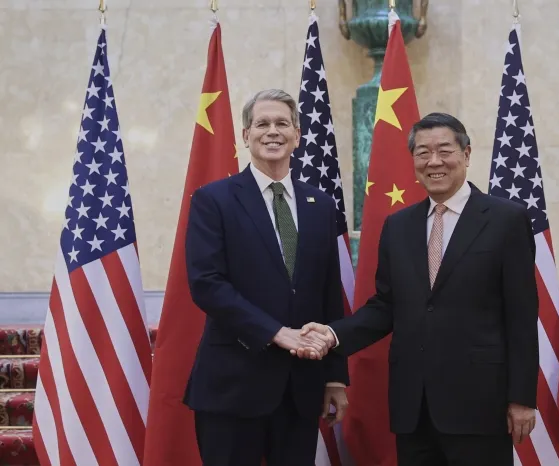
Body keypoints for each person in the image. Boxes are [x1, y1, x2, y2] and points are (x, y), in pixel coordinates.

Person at [300, 112, 539, 465]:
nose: (434, 161)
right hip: (413, 407)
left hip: (480, 405)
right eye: (423, 152)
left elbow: (521, 315)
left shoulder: (506, 219)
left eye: (445, 150)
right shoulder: (398, 226)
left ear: (466, 154)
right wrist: (333, 335)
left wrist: (522, 398)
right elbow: (385, 306)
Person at [183, 89, 349, 466]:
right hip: (232, 385)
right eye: (262, 124)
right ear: (246, 135)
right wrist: (275, 332)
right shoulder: (214, 200)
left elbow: (329, 294)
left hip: (300, 388)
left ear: (297, 135)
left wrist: (335, 377)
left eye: (282, 124)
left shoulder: (321, 206)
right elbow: (207, 283)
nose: (272, 131)